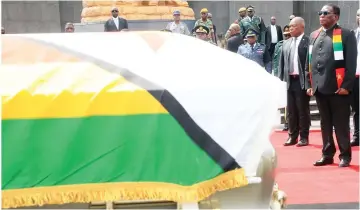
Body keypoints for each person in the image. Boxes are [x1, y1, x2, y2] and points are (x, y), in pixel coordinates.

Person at [305, 4, 357, 167]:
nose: (321, 15)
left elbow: (351, 62)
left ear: (336, 17)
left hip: (338, 87)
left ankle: (345, 155)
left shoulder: (345, 34)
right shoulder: (314, 35)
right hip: (319, 87)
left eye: (325, 13)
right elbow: (309, 62)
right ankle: (327, 153)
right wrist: (309, 84)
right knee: (325, 123)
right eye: (320, 13)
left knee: (341, 124)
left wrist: (346, 86)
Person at [279, 17, 311, 147]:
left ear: (301, 27)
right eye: (289, 26)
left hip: (301, 81)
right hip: (289, 80)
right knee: (291, 110)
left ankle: (304, 137)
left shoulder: (308, 41)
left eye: (293, 26)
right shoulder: (286, 43)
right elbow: (281, 64)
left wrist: (310, 83)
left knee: (302, 110)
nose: (290, 28)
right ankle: (292, 136)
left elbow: (310, 64)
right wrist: (281, 81)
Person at [273, 25, 291, 131]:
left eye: (288, 34)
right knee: (284, 101)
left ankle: (292, 121)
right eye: (285, 35)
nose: (287, 36)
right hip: (283, 75)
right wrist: (277, 74)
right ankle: (286, 122)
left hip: (293, 75)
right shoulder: (279, 45)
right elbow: (276, 60)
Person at [350, 9, 360, 147]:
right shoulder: (352, 34)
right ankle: (357, 135)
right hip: (355, 77)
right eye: (358, 15)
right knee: (356, 108)